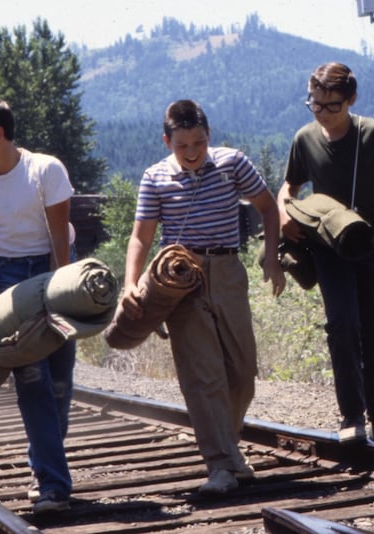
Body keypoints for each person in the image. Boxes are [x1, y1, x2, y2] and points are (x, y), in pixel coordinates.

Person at [121, 99, 286, 495]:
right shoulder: (155, 177)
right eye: (182, 145)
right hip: (181, 278)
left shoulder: (233, 163)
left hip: (228, 271)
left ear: (209, 136)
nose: (192, 152)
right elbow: (141, 236)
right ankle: (221, 465)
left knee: (242, 373)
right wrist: (130, 283)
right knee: (203, 376)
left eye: (198, 142)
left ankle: (228, 448)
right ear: (167, 142)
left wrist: (272, 258)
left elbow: (268, 208)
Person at [277, 62, 374, 444]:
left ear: (351, 100)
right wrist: (283, 215)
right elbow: (288, 187)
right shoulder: (304, 139)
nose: (322, 113)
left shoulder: (372, 134)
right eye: (315, 104)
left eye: (332, 105)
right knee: (342, 325)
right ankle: (351, 417)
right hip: (330, 250)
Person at [0, 96, 76, 513]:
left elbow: (59, 237)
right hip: (9, 278)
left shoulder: (45, 169)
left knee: (58, 381)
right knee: (30, 378)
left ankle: (44, 463)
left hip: (54, 268)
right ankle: (53, 484)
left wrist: (61, 292)